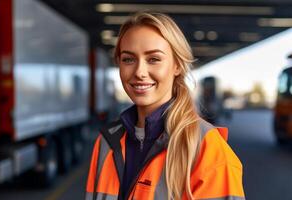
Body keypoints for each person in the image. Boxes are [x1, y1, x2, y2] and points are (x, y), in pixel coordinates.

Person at [86, 12, 245, 200]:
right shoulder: (106, 143)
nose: (139, 72)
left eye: (153, 59)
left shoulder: (208, 151)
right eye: (128, 59)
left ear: (177, 65)